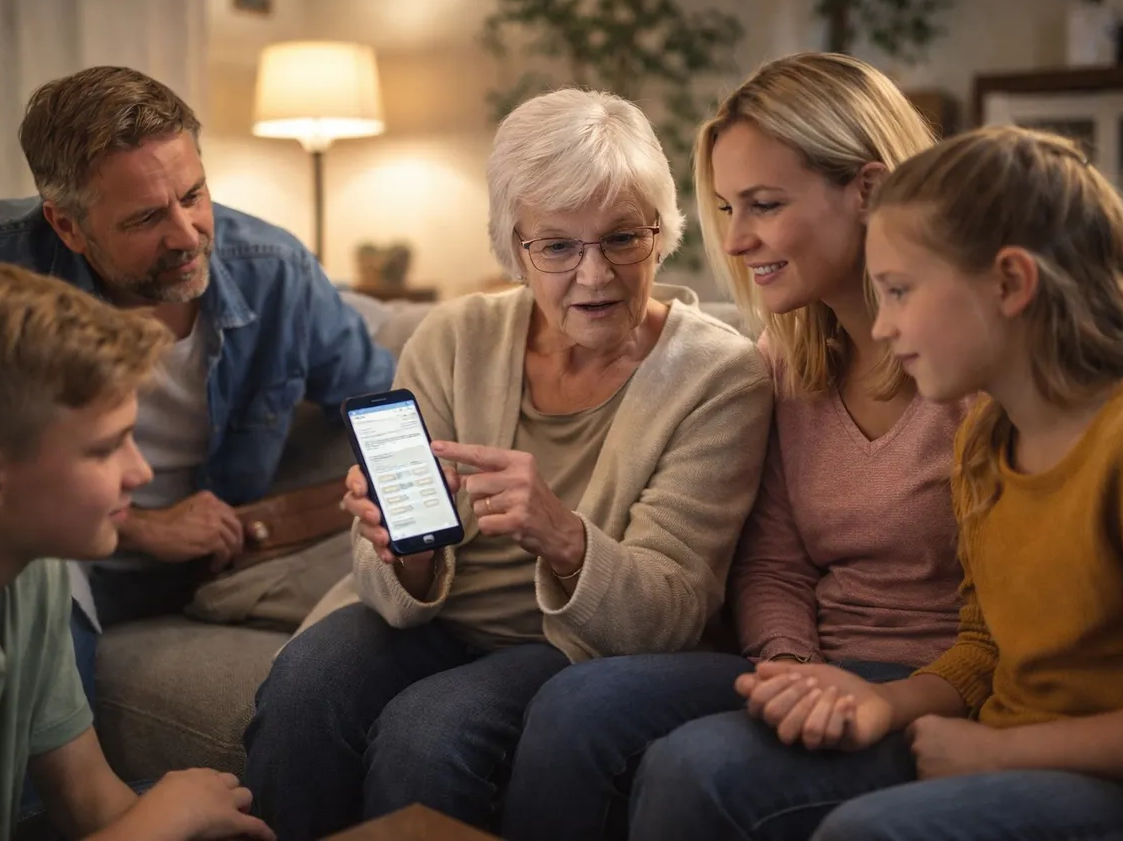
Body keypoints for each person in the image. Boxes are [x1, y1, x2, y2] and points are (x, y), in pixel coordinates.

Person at [241, 87, 773, 840]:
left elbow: (675, 609)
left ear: (662, 233)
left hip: (569, 650)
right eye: (557, 246)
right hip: (436, 621)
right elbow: (384, 573)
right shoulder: (454, 337)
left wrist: (562, 533)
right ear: (512, 247)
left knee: (429, 728)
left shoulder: (719, 376)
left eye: (622, 238)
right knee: (305, 684)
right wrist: (402, 551)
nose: (594, 276)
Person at [503, 52, 967, 841]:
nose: (738, 238)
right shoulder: (785, 357)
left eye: (764, 203)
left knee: (694, 766)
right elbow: (774, 560)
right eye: (724, 206)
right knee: (579, 702)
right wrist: (788, 666)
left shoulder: (972, 359)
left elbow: (1016, 616)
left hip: (934, 683)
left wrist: (872, 693)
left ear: (871, 189)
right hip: (809, 661)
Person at [741, 125, 1123, 841]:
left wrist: (1000, 751)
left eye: (898, 291)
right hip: (1007, 747)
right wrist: (882, 705)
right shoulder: (986, 441)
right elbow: (985, 646)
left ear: (1011, 282)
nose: (883, 327)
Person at [0, 65, 395, 701]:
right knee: (42, 574)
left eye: (193, 196)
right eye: (145, 219)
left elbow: (383, 412)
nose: (188, 237)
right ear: (67, 225)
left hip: (209, 564)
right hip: (55, 543)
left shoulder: (275, 272)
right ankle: (50, 805)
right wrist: (141, 525)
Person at [0, 259, 274, 841]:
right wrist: (167, 818)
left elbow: (84, 794)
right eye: (105, 449)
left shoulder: (31, 568)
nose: (140, 472)